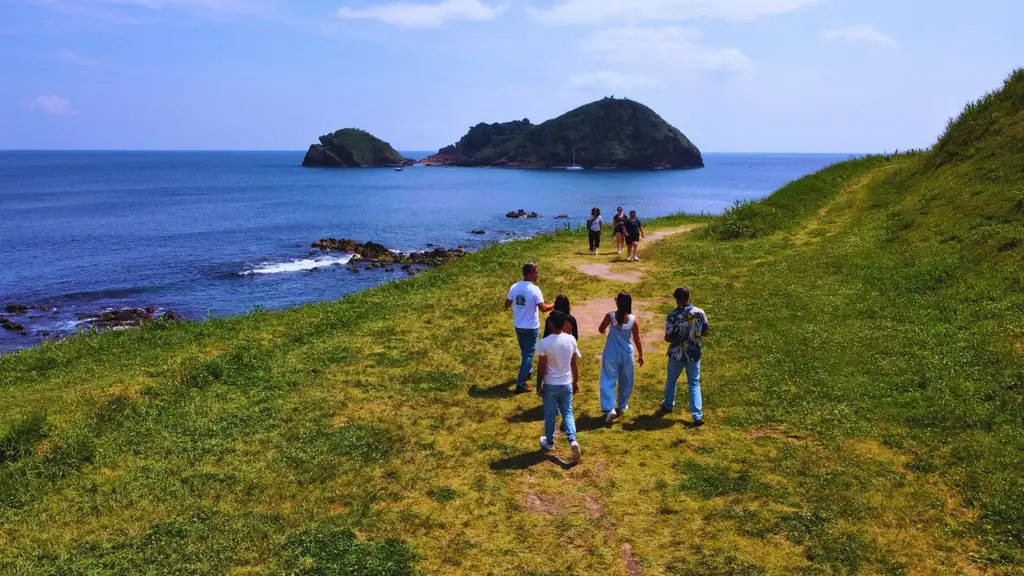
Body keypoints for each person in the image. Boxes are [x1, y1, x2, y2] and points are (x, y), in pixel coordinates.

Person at [536, 310, 582, 462]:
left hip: (551, 384)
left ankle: (549, 441)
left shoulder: (545, 343)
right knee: (567, 412)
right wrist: (575, 381)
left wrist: (538, 384)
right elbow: (574, 363)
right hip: (566, 383)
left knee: (550, 413)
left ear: (550, 323)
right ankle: (572, 440)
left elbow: (541, 368)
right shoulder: (571, 340)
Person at [662, 287, 710, 426]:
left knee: (672, 380)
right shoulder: (700, 313)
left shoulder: (672, 316)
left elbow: (668, 338)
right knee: (694, 383)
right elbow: (706, 332)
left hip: (677, 354)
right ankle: (697, 415)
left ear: (677, 300)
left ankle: (668, 405)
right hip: (694, 354)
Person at [505, 263, 555, 393]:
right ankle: (520, 384)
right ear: (529, 274)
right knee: (528, 354)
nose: (537, 274)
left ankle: (528, 372)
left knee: (525, 352)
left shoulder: (514, 287)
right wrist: (555, 304)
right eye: (535, 272)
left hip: (518, 326)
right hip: (531, 327)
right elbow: (543, 308)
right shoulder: (534, 289)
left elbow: (507, 304)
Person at [598, 291, 644, 423]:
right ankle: (622, 405)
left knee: (608, 379)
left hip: (611, 352)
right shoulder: (633, 320)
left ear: (618, 302)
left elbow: (601, 329)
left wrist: (607, 332)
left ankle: (609, 408)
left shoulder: (610, 316)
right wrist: (640, 354)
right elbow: (637, 339)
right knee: (627, 379)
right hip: (626, 353)